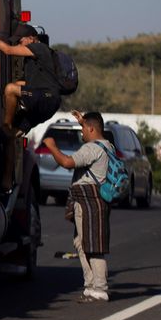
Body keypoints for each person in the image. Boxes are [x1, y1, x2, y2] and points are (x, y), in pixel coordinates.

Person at [40, 110, 114, 303]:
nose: (81, 133)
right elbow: (92, 133)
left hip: (89, 200)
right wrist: (84, 121)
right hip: (93, 200)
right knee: (82, 243)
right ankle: (91, 286)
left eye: (83, 128)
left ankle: (99, 288)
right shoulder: (106, 145)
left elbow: (67, 162)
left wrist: (52, 146)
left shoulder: (91, 149)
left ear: (91, 129)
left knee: (93, 245)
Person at [0, 22, 65, 190]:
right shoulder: (34, 63)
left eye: (20, 41)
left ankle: (6, 125)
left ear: (31, 38)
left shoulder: (39, 48)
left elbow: (7, 50)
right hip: (44, 101)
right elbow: (25, 83)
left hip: (46, 98)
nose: (19, 45)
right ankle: (7, 181)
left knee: (11, 90)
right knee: (11, 137)